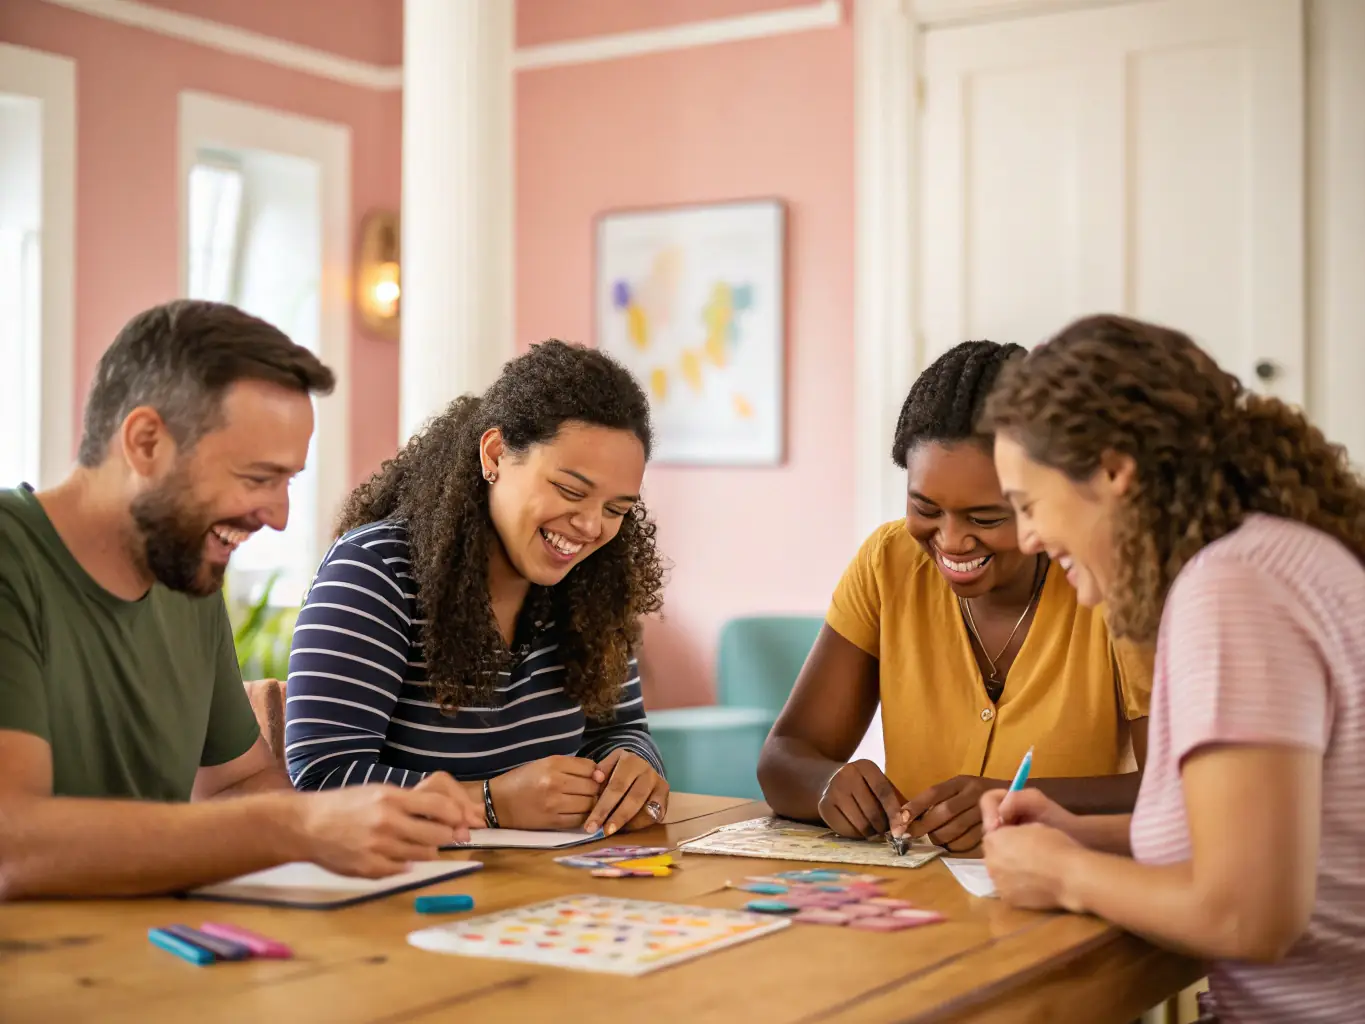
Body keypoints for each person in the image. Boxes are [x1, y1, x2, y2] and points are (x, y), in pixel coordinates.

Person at [0, 300, 482, 901]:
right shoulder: (12, 558)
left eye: (288, 481)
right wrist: (297, 826)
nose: (279, 516)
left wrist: (364, 822)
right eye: (258, 478)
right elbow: (12, 846)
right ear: (146, 442)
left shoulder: (184, 574)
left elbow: (239, 782)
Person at [979, 314, 1365, 1023]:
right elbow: (1264, 838)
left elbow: (1248, 915)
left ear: (1112, 469)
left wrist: (1062, 873)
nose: (1027, 538)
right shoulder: (1279, 557)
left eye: (1027, 505)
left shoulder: (1232, 588)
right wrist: (1078, 833)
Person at [758, 341, 1152, 854]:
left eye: (985, 518)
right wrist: (827, 784)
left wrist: (1019, 801)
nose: (951, 541)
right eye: (925, 509)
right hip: (920, 893)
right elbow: (783, 757)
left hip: (1067, 886)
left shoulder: (1111, 577)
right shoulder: (887, 562)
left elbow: (1175, 793)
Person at [285, 340, 670, 838]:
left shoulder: (593, 585)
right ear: (495, 455)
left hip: (544, 877)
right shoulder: (375, 571)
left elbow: (619, 728)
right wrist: (489, 802)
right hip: (406, 880)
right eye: (570, 491)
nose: (592, 526)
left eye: (616, 509)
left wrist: (631, 769)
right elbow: (322, 779)